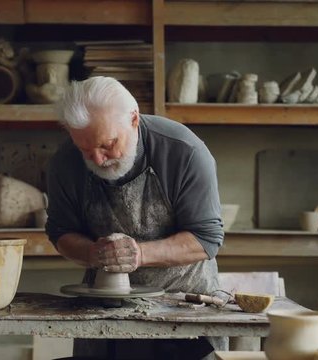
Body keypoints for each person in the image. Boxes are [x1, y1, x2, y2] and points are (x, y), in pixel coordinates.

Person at [45, 76, 225, 359]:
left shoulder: (183, 152)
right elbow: (60, 232)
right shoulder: (64, 163)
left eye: (107, 144)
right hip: (104, 307)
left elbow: (206, 239)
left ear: (133, 120)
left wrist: (139, 254)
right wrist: (92, 253)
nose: (98, 159)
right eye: (85, 150)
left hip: (183, 305)